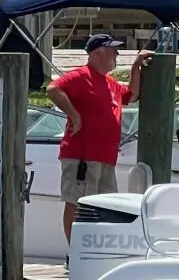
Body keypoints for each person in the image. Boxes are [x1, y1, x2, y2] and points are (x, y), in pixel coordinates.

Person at [46, 34, 153, 241]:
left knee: (105, 206)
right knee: (77, 203)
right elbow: (53, 89)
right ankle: (74, 252)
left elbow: (131, 95)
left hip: (106, 158)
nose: (116, 54)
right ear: (98, 53)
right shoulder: (81, 75)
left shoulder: (110, 82)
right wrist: (75, 116)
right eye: (112, 50)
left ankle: (95, 247)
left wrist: (136, 66)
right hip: (82, 156)